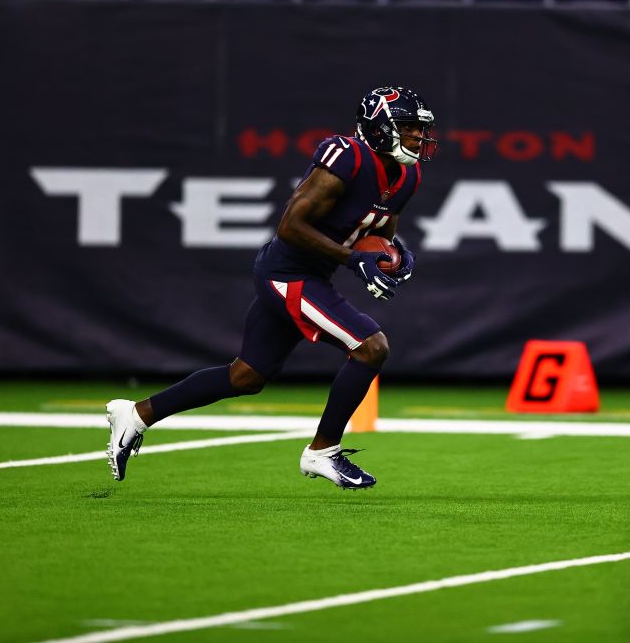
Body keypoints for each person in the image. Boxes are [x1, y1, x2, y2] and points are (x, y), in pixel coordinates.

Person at [104, 86, 437, 489]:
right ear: (379, 128)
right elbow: (290, 226)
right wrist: (353, 260)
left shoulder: (409, 173)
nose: (418, 135)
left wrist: (394, 253)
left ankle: (137, 414)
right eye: (407, 126)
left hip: (311, 275)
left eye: (419, 128)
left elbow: (380, 228)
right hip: (289, 274)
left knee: (245, 376)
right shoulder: (346, 156)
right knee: (371, 347)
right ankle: (322, 452)